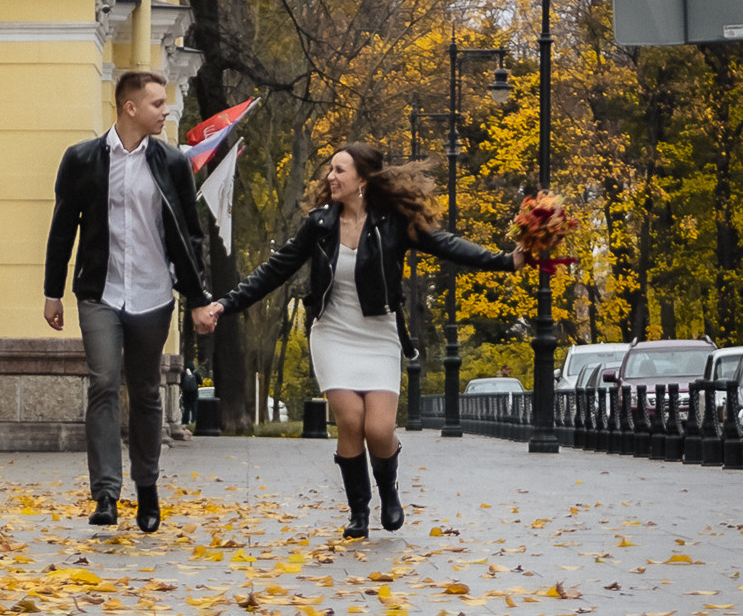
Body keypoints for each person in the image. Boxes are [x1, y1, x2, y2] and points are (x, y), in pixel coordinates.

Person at [194, 141, 524, 537]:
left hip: (379, 334)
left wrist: (506, 261)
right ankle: (359, 512)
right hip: (333, 333)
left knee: (379, 429)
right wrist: (224, 304)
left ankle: (389, 489)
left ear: (363, 179)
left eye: (339, 170)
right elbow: (274, 269)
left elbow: (446, 244)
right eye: (331, 169)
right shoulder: (319, 224)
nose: (330, 177)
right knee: (350, 421)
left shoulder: (394, 223)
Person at [44, 69, 208, 530]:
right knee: (102, 383)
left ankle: (147, 489)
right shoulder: (82, 159)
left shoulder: (172, 162)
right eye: (157, 104)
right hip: (101, 292)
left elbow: (190, 235)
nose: (165, 111)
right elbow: (63, 228)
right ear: (129, 108)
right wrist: (52, 293)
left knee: (146, 391)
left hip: (153, 294)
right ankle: (106, 495)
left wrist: (197, 295)